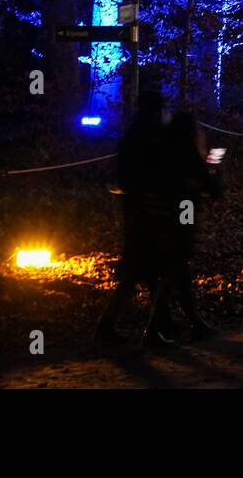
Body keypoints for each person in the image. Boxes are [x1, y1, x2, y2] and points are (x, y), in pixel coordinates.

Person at [96, 91, 174, 347]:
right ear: (156, 112)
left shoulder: (136, 136)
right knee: (152, 273)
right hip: (144, 215)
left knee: (140, 275)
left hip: (138, 213)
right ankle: (152, 329)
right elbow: (151, 177)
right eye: (164, 110)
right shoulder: (147, 139)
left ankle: (150, 327)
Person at [156, 111, 221, 340]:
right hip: (184, 209)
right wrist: (214, 169)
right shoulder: (187, 149)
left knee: (174, 265)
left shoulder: (162, 147)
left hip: (163, 212)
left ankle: (168, 321)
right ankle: (168, 321)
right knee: (178, 262)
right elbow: (209, 182)